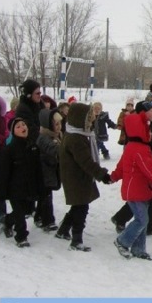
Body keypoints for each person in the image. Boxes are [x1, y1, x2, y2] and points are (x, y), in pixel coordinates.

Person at [111, 110, 152, 260]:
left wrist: (113, 177)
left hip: (141, 190)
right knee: (142, 220)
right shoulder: (139, 149)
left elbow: (121, 167)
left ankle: (139, 249)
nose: (150, 133)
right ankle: (122, 241)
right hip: (136, 191)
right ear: (139, 130)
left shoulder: (133, 147)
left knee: (143, 219)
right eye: (146, 129)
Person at [55, 102, 112, 251]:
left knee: (77, 206)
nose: (93, 119)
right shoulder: (76, 139)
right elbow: (86, 162)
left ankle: (63, 230)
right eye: (90, 116)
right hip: (76, 179)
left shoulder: (78, 133)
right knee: (81, 208)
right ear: (81, 119)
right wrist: (103, 175)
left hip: (78, 177)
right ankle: (76, 240)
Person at [110, 100, 152, 237]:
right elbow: (136, 148)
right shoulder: (138, 127)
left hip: (150, 163)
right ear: (144, 112)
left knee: (147, 198)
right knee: (142, 199)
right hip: (144, 166)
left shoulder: (150, 126)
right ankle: (129, 227)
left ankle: (146, 226)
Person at [0, 118, 44, 247]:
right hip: (14, 189)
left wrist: (41, 186)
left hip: (29, 187)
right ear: (13, 132)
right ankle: (21, 237)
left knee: (27, 210)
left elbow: (38, 169)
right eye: (18, 126)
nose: (23, 127)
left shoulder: (33, 147)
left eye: (24, 124)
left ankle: (7, 221)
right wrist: (1, 191)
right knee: (20, 213)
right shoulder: (9, 150)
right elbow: (3, 173)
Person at [34, 108, 63, 232]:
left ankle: (39, 216)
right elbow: (54, 150)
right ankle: (48, 220)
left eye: (60, 123)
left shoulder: (56, 136)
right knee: (46, 197)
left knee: (45, 196)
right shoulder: (44, 138)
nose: (59, 126)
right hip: (43, 172)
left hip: (50, 172)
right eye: (56, 124)